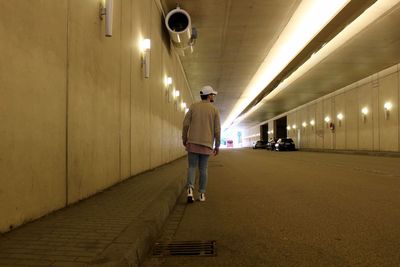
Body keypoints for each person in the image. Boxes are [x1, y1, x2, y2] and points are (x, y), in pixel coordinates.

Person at [182, 85, 221, 203]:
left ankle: (190, 190)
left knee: (192, 167)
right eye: (212, 95)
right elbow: (217, 130)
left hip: (192, 143)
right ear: (209, 96)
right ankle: (202, 193)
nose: (213, 96)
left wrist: (184, 139)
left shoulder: (193, 107)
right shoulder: (214, 110)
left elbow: (185, 125)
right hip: (206, 144)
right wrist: (217, 145)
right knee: (203, 169)